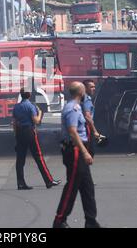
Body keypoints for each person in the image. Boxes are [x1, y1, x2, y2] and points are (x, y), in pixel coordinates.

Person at [53, 82, 101, 228]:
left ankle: (91, 221)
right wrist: (85, 152)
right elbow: (73, 132)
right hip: (75, 151)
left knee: (87, 187)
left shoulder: (78, 107)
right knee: (72, 186)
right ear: (81, 92)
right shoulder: (72, 108)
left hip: (79, 150)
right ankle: (59, 220)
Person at [12, 88, 60, 190]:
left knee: (20, 159)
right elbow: (36, 121)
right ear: (29, 95)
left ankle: (20, 183)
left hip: (20, 133)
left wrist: (16, 136)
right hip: (29, 131)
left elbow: (14, 123)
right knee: (38, 157)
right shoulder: (31, 106)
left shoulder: (16, 107)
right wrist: (40, 113)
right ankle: (48, 181)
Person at [81, 80, 106, 153]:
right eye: (91, 87)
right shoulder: (86, 100)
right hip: (86, 129)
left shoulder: (82, 98)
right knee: (88, 151)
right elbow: (87, 116)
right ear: (85, 88)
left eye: (94, 87)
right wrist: (95, 131)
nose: (94, 89)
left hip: (83, 128)